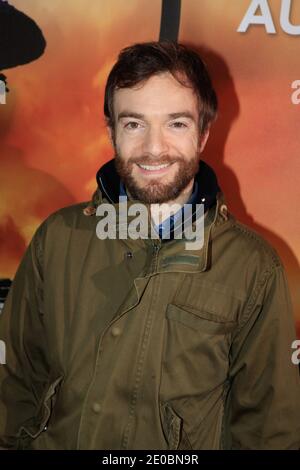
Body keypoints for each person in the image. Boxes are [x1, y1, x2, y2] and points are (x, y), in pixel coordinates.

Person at [0, 41, 299, 450]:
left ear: (204, 133)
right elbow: (14, 381)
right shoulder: (57, 238)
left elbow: (268, 431)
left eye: (176, 123)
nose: (153, 148)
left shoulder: (253, 268)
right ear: (112, 133)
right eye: (134, 124)